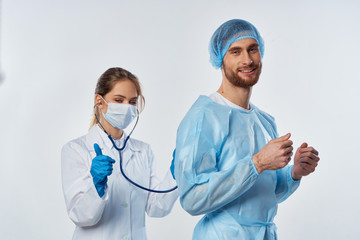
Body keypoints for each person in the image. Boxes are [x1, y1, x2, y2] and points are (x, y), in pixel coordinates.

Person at [173, 19, 320, 239]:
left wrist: (295, 172)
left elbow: (263, 194)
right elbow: (193, 198)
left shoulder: (264, 121)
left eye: (253, 49)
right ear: (220, 60)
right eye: (235, 52)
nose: (248, 60)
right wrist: (257, 163)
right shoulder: (204, 116)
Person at [61, 67, 178, 240]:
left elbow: (156, 207)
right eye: (118, 100)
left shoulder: (143, 151)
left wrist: (177, 171)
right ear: (99, 101)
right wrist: (97, 187)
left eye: (132, 102)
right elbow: (81, 217)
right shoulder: (76, 149)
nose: (127, 107)